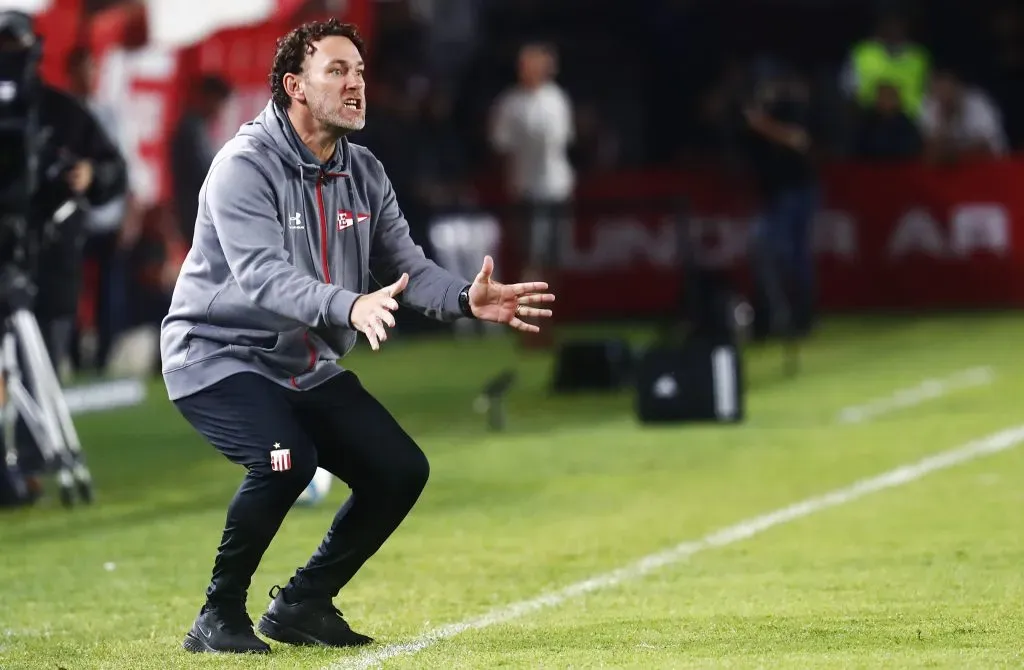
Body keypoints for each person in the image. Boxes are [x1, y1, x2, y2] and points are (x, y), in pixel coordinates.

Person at [159, 19, 555, 654]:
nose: (356, 85)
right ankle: (218, 614)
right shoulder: (243, 166)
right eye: (337, 71)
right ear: (295, 85)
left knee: (399, 470)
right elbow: (261, 277)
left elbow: (408, 266)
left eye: (361, 72)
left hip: (302, 363)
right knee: (285, 458)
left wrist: (462, 298)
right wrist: (350, 304)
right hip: (217, 354)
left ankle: (303, 602)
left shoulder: (363, 171)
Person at [0, 12, 127, 507]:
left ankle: (28, 468)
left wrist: (89, 176)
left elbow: (114, 170)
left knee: (40, 364)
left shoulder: (65, 113)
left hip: (50, 263)